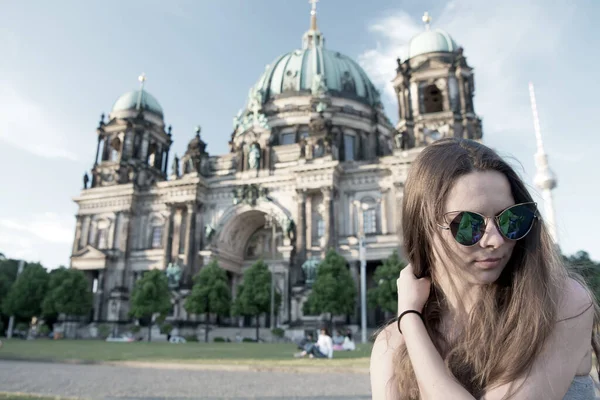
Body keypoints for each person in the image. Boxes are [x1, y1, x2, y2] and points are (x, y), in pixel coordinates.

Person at [370, 138, 599, 399]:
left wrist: (410, 318)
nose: (496, 240)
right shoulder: (392, 345)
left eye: (512, 219)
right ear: (424, 230)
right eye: (468, 224)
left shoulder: (560, 303)